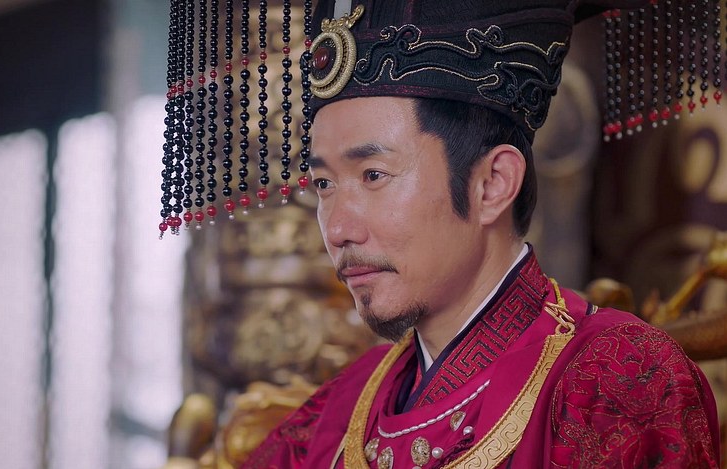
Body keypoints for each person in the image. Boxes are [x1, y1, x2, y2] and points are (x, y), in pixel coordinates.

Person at [239, 0, 722, 467]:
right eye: (324, 184)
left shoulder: (616, 383)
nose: (339, 229)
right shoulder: (340, 413)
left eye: (373, 175)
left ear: (492, 184)